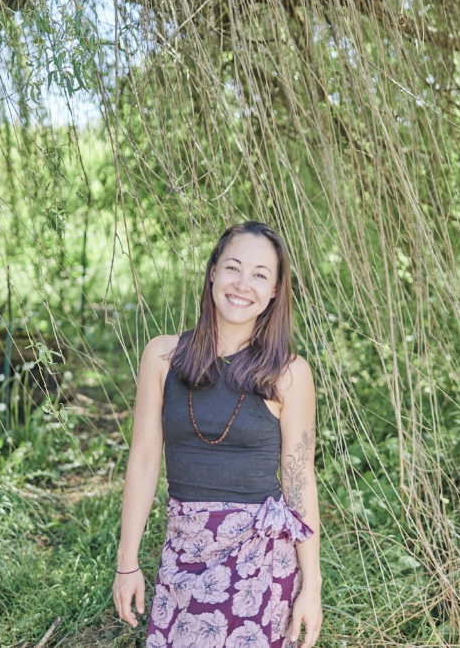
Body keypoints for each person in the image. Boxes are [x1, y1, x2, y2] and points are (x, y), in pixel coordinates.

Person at [113, 220, 322, 648]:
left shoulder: (289, 374)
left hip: (258, 565)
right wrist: (127, 562)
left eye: (260, 275)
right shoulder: (162, 356)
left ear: (275, 292)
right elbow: (144, 460)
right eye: (233, 267)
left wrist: (312, 588)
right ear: (212, 271)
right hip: (182, 555)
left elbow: (299, 481)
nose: (243, 284)